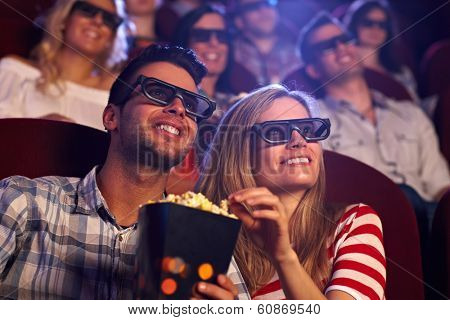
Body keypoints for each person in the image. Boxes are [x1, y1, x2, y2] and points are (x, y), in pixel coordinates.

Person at [0, 44, 237, 300]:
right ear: (112, 117)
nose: (179, 108)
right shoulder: (23, 201)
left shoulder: (204, 239)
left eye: (190, 103)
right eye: (157, 92)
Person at [197, 84, 387, 299]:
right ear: (239, 153)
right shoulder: (205, 235)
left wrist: (283, 256)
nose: (299, 141)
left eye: (308, 130)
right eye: (276, 132)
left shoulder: (352, 223)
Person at [298, 12, 450, 247]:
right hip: (362, 225)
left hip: (428, 224)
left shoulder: (410, 113)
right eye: (328, 46)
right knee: (404, 196)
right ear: (313, 70)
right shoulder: (314, 122)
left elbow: (439, 184)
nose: (341, 48)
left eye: (345, 39)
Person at [0, 0, 128, 130]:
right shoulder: (15, 72)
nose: (98, 21)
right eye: (87, 10)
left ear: (112, 36)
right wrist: (37, 128)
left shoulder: (115, 97)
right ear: (64, 18)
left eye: (109, 19)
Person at [343, 0, 436, 113]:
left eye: (382, 25)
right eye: (368, 23)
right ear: (354, 25)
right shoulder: (344, 70)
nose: (375, 29)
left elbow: (415, 106)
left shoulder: (400, 72)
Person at [231, 0, 301, 85]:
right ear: (239, 21)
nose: (263, 10)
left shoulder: (298, 49)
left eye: (268, 3)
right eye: (253, 6)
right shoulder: (229, 53)